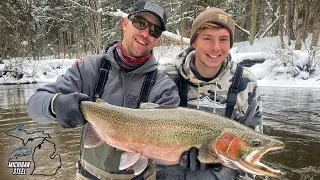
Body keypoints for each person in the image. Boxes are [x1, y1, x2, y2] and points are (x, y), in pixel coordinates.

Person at [27, 0, 180, 179]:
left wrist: (185, 155)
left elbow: (166, 154)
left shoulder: (164, 88)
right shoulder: (89, 69)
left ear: (158, 39)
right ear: (125, 23)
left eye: (154, 30)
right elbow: (34, 105)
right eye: (140, 23)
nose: (146, 33)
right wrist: (56, 104)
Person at [158, 7, 263, 180]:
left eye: (223, 39)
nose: (216, 48)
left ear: (230, 44)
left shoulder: (246, 84)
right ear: (194, 42)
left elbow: (251, 154)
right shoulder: (166, 77)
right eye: (207, 38)